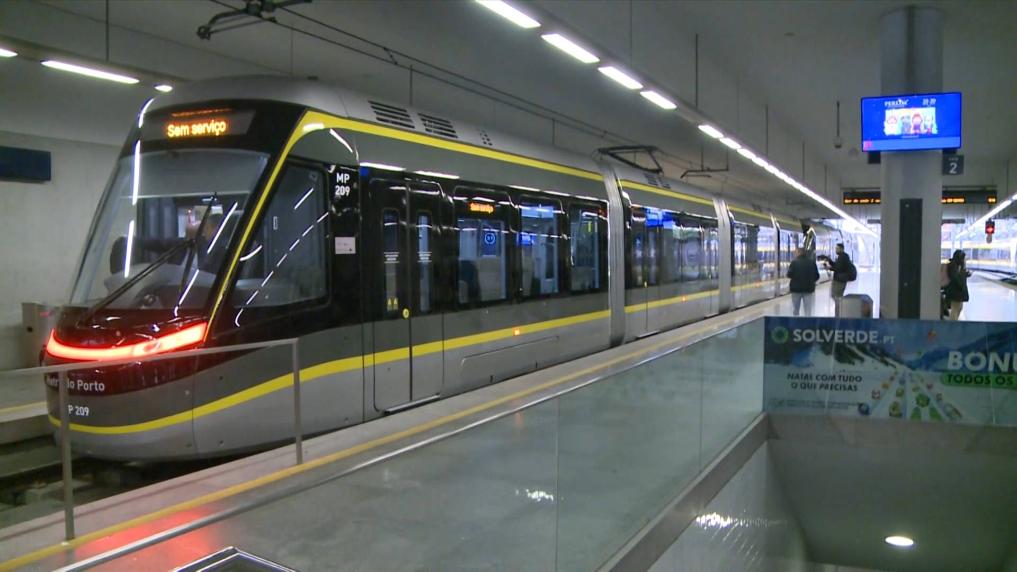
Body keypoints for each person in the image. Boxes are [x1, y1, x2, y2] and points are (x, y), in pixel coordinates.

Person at [787, 247, 820, 316]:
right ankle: (807, 322)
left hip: (796, 289)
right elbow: (817, 276)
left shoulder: (794, 262)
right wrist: (811, 282)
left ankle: (796, 321)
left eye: (796, 252)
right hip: (808, 289)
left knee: (796, 309)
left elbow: (789, 275)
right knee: (808, 309)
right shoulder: (811, 262)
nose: (795, 254)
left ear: (799, 253)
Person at [944, 249, 971, 320]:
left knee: (959, 308)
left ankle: (953, 322)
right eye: (963, 258)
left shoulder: (957, 265)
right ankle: (953, 324)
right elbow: (956, 278)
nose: (964, 260)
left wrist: (965, 274)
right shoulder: (953, 266)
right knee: (955, 309)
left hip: (958, 292)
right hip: (955, 292)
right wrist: (964, 275)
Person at [827, 243, 853, 312]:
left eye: (837, 248)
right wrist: (829, 261)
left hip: (839, 280)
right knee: (836, 296)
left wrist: (829, 268)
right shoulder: (841, 256)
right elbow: (837, 265)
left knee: (837, 296)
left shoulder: (843, 257)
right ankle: (839, 309)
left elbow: (838, 268)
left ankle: (839, 310)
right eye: (836, 248)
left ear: (841, 249)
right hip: (839, 279)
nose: (836, 250)